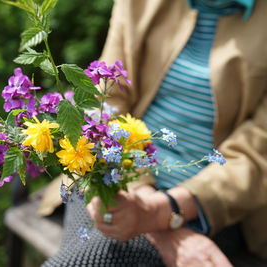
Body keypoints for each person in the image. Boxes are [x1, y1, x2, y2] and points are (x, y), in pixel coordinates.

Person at [40, 0, 267, 266]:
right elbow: (106, 100)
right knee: (95, 253)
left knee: (91, 257)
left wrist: (158, 211)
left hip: (213, 205)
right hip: (113, 175)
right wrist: (149, 209)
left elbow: (256, 155)